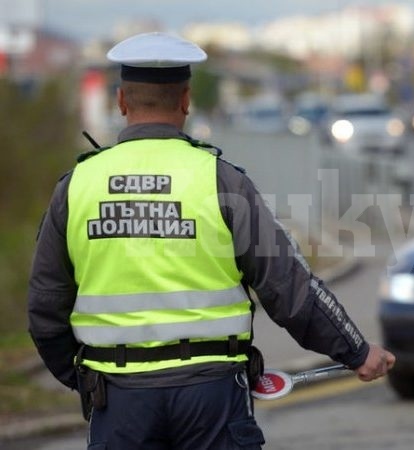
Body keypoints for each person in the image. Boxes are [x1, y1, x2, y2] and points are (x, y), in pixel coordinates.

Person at [27, 32, 395, 449]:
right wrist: (357, 350)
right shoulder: (222, 181)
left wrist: (87, 381)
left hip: (118, 399)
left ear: (121, 102)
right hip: (212, 401)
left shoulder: (77, 187)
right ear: (186, 101)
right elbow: (289, 286)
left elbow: (44, 309)